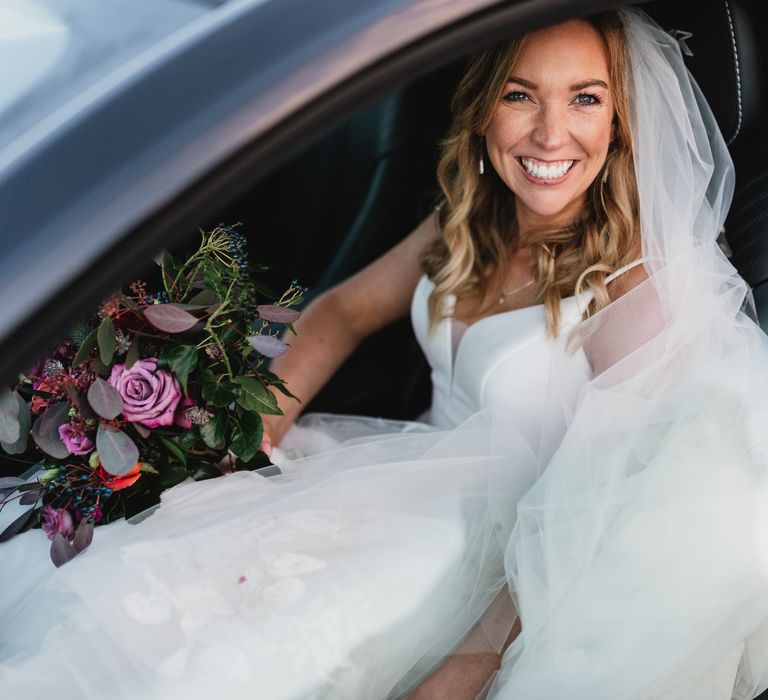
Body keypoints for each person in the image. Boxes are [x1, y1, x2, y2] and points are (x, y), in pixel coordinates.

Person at [1, 7, 768, 700]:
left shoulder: (637, 289)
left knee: (223, 658)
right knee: (128, 578)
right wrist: (248, 440)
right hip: (382, 482)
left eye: (585, 98)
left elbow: (598, 514)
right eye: (520, 93)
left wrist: (469, 668)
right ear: (482, 107)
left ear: (621, 121)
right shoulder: (468, 221)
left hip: (493, 561)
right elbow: (338, 313)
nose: (549, 133)